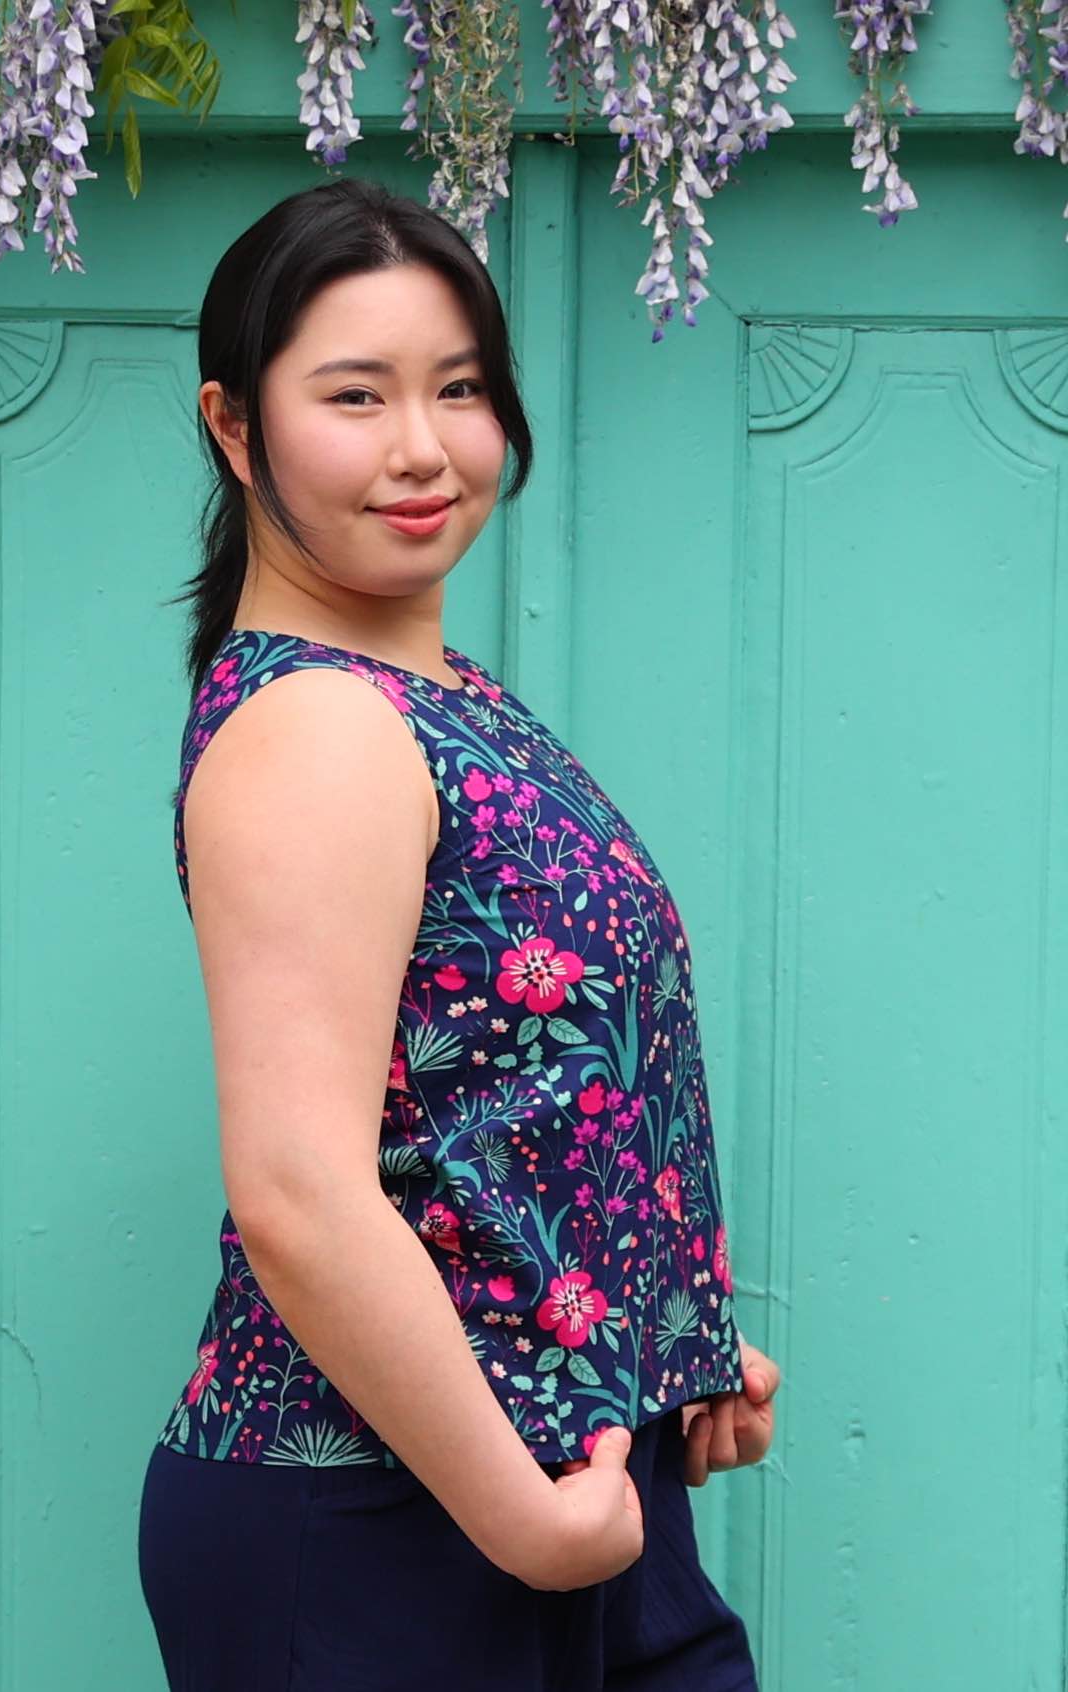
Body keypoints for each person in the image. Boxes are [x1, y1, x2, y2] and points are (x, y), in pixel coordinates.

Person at [137, 175, 781, 1692]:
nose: (424, 449)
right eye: (355, 396)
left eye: (460, 388)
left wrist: (658, 1337)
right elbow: (300, 1186)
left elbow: (502, 1100)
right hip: (392, 1521)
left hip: (555, 1487)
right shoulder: (319, 730)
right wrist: (527, 1524)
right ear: (235, 427)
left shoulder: (447, 703)